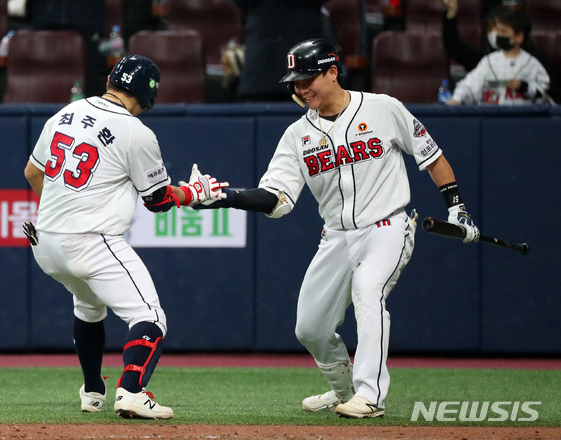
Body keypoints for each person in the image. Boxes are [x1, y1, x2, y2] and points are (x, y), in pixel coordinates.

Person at [194, 39, 479, 418]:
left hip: (387, 227)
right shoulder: (297, 136)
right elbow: (277, 199)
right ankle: (345, 392)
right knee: (310, 327)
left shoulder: (382, 107)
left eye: (308, 77)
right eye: (295, 81)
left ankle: (370, 395)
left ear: (332, 72)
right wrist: (226, 197)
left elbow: (431, 156)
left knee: (368, 291)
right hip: (336, 235)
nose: (301, 87)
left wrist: (457, 208)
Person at [23, 55, 227, 419]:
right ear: (149, 94)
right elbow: (159, 202)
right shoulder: (136, 131)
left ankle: (92, 390)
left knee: (88, 308)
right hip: (90, 240)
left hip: (46, 242)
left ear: (111, 80)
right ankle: (131, 392)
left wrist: (65, 211)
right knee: (150, 317)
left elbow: (32, 173)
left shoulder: (64, 114)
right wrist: (194, 193)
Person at [446, 7, 550, 105]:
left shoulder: (531, 63)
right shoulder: (489, 61)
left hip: (522, 117)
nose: (499, 35)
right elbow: (469, 84)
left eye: (503, 31)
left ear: (519, 37)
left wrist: (523, 86)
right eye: (498, 31)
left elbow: (544, 90)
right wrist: (456, 98)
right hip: (492, 116)